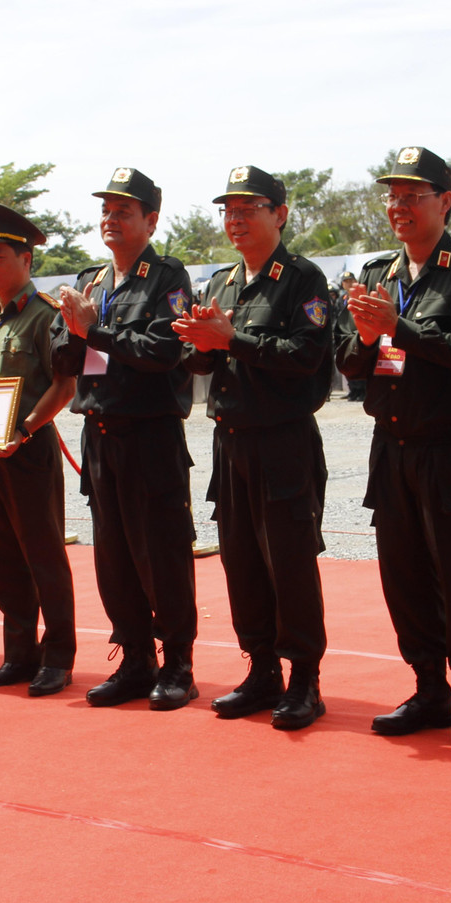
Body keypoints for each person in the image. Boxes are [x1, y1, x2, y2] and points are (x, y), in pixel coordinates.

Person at [335, 146, 451, 748]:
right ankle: (428, 685)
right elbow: (350, 363)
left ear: (445, 201)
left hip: (449, 446)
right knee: (402, 573)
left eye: (414, 196)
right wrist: (363, 335)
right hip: (393, 445)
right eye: (393, 196)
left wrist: (398, 327)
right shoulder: (380, 273)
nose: (399, 207)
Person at [174, 166, 332, 730]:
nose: (235, 220)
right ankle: (261, 667)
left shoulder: (303, 279)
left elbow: (306, 357)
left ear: (280, 215)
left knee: (288, 562)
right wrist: (195, 341)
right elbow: (202, 362)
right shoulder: (220, 282)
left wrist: (230, 338)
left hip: (283, 441)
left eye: (249, 209)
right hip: (231, 440)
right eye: (229, 211)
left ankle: (305, 680)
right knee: (241, 562)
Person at [51, 168, 199, 710]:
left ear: (150, 220)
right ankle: (135, 658)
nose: (111, 220)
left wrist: (95, 330)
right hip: (100, 434)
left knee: (160, 553)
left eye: (124, 212)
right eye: (106, 211)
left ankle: (178, 664)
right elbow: (62, 357)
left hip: (150, 434)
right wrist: (72, 328)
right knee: (113, 556)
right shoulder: (92, 280)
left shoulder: (167, 278)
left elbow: (162, 350)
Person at [0, 202, 77, 697]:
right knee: (1, 556)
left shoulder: (46, 315)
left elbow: (63, 387)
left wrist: (23, 429)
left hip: (27, 450)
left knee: (43, 556)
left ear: (26, 259)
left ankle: (59, 656)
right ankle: (20, 654)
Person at [336, 273, 365, 402]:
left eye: (350, 280)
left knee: (360, 359)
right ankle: (353, 390)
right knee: (347, 360)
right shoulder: (340, 299)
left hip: (357, 331)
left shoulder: (361, 295)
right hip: (344, 333)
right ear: (342, 284)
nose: (348, 283)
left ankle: (362, 390)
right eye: (346, 281)